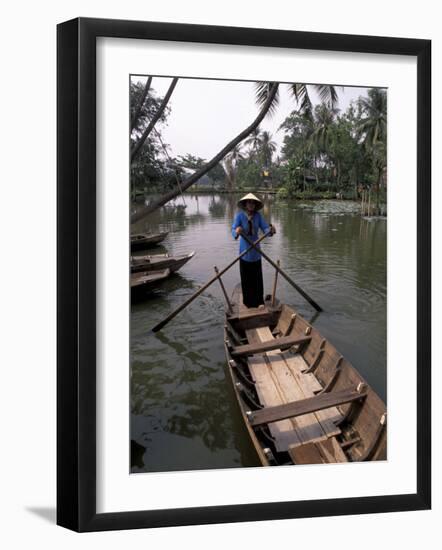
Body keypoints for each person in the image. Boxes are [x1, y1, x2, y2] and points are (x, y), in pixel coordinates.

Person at [231, 193, 275, 308]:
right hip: (244, 252)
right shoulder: (240, 216)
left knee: (257, 279)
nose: (251, 204)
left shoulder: (258, 216)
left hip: (256, 252)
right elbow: (233, 229)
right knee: (246, 279)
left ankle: (259, 302)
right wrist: (237, 231)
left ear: (255, 205)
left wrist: (270, 231)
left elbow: (265, 228)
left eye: (253, 202)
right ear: (245, 204)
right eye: (249, 202)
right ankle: (248, 303)